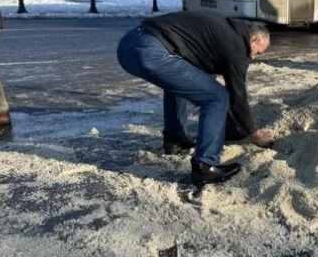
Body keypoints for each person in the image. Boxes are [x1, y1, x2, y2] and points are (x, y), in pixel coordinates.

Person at [117, 10, 275, 193]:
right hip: (153, 51)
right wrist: (254, 133)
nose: (253, 58)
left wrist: (212, 78)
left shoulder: (225, 27)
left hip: (129, 45)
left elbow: (193, 49)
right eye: (257, 53)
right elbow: (238, 96)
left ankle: (175, 140)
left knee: (176, 84)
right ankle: (205, 166)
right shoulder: (238, 45)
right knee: (217, 97)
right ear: (253, 39)